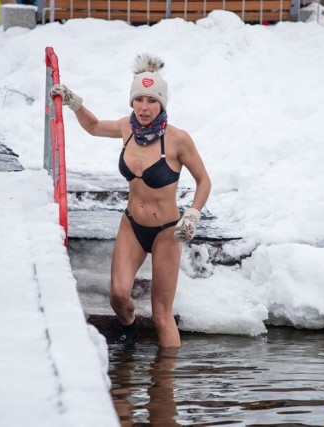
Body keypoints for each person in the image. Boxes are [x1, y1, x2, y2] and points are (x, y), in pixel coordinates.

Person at [50, 54, 212, 349]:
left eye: (152, 101)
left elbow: (204, 181)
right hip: (132, 225)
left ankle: (166, 386)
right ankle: (129, 326)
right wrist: (74, 103)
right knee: (118, 294)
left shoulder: (178, 140)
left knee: (162, 316)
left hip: (166, 232)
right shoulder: (127, 128)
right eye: (139, 100)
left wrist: (192, 215)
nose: (144, 107)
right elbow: (95, 126)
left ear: (162, 104)